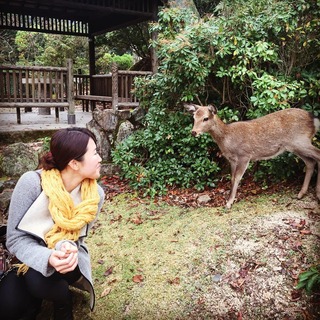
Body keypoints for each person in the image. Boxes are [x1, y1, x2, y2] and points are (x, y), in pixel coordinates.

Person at [0, 127, 105, 320]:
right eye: (95, 153)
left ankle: (62, 300)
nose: (100, 158)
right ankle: (49, 295)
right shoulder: (32, 183)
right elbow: (15, 239)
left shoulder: (95, 195)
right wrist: (47, 257)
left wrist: (65, 247)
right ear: (74, 163)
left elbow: (78, 238)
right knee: (9, 308)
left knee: (40, 280)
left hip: (68, 260)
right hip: (24, 257)